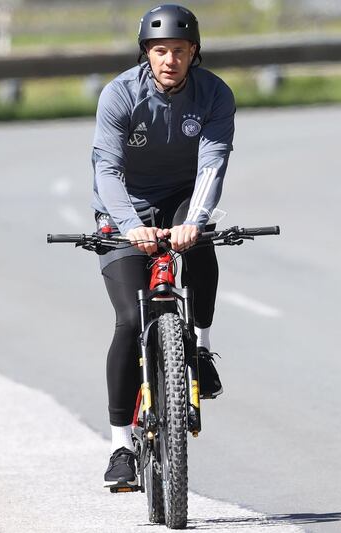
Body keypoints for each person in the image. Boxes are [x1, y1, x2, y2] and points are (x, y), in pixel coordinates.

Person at [90, 4, 236, 486]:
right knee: (130, 319)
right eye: (159, 51)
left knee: (200, 247)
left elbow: (213, 164)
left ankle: (202, 350)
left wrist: (195, 220)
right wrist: (130, 224)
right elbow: (106, 170)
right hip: (124, 210)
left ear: (194, 52)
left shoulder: (214, 94)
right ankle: (119, 446)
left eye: (178, 50)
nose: (169, 59)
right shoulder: (119, 95)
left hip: (181, 200)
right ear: (145, 54)